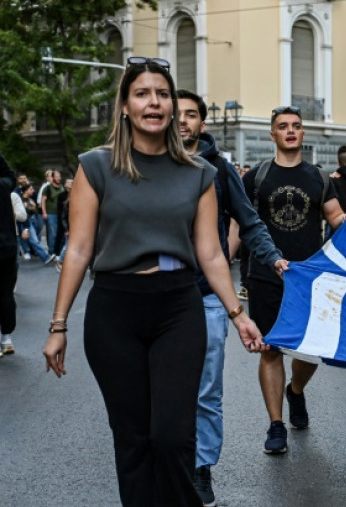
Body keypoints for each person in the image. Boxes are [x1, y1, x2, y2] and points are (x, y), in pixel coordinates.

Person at [41, 56, 265, 507]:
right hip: (114, 310)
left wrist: (238, 314)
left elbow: (210, 253)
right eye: (142, 93)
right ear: (124, 105)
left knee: (171, 436)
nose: (155, 103)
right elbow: (80, 250)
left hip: (178, 306)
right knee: (133, 438)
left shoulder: (199, 172)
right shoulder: (96, 167)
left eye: (163, 94)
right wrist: (58, 325)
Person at [177, 89, 288, 505]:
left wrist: (273, 258)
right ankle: (172, 463)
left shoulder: (221, 170)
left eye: (192, 115)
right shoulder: (150, 165)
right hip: (160, 294)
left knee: (206, 388)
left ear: (202, 123)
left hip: (207, 295)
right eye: (178, 115)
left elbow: (250, 221)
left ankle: (202, 468)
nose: (183, 121)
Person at [243, 105, 346, 455]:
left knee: (310, 349)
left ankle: (296, 391)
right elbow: (240, 225)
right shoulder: (257, 177)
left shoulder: (319, 177)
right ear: (272, 135)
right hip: (265, 275)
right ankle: (276, 425)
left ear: (302, 134)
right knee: (271, 349)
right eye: (282, 126)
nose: (290, 131)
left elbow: (334, 217)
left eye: (296, 126)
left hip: (310, 278)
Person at [0, 153, 19, 357]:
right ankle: (6, 338)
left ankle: (6, 338)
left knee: (5, 294)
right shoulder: (4, 185)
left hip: (5, 245)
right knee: (6, 293)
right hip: (6, 245)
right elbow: (10, 178)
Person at [40, 170, 65, 255]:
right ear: (53, 177)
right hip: (51, 213)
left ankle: (60, 251)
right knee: (52, 233)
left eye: (59, 176)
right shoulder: (47, 188)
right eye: (57, 176)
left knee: (60, 233)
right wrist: (44, 213)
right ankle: (52, 252)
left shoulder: (62, 187)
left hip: (61, 214)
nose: (59, 178)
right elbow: (43, 200)